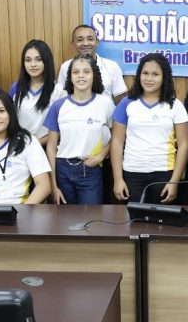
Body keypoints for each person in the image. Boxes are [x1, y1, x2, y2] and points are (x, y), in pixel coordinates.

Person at [110, 52, 188, 203]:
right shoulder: (127, 103)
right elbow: (117, 142)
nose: (149, 78)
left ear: (164, 77)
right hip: (132, 173)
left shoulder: (175, 105)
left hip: (164, 174)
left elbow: (184, 144)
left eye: (155, 74)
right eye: (145, 73)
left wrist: (174, 182)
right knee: (133, 222)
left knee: (161, 223)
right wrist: (118, 179)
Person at [44, 54, 115, 204]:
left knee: (91, 219)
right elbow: (51, 147)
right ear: (69, 77)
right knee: (64, 220)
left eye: (86, 72)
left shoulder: (105, 104)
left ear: (94, 76)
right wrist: (53, 185)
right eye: (76, 72)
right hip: (62, 169)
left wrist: (101, 156)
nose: (81, 76)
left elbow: (118, 137)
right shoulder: (59, 106)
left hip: (90, 169)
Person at [54, 24, 129, 101]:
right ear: (73, 44)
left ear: (97, 42)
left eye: (90, 39)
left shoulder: (112, 66)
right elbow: (61, 97)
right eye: (80, 40)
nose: (85, 44)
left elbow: (121, 99)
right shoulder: (65, 67)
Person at [10, 40, 61, 144]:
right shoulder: (16, 88)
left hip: (47, 147)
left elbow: (63, 126)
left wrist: (36, 143)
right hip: (20, 147)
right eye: (28, 60)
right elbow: (9, 120)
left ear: (47, 61)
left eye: (38, 60)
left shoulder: (58, 90)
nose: (33, 64)